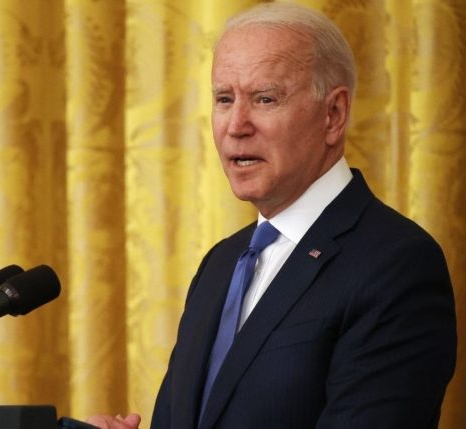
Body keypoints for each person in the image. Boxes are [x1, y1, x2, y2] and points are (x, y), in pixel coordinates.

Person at [87, 3, 457, 429]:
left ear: (333, 115)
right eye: (224, 99)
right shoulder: (220, 263)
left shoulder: (396, 264)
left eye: (265, 98)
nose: (236, 125)